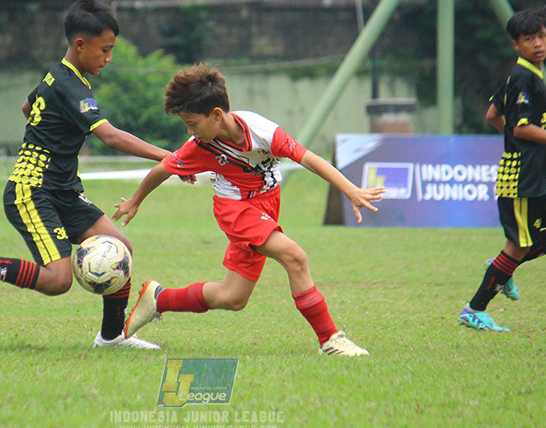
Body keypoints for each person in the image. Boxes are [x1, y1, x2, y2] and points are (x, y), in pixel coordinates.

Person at [0, 0, 187, 349]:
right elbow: (110, 137)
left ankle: (111, 337)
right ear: (80, 44)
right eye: (105, 50)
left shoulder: (58, 76)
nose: (108, 58)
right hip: (32, 189)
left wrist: (51, 136)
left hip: (62, 190)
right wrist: (170, 156)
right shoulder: (70, 86)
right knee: (58, 280)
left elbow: (29, 106)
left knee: (122, 247)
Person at [111, 63, 386, 357]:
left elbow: (309, 159)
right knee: (295, 256)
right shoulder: (199, 146)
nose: (189, 132)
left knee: (233, 297)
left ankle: (158, 299)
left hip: (267, 203)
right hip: (235, 209)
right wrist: (136, 200)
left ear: (217, 114)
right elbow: (162, 170)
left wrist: (350, 190)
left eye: (192, 124)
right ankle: (330, 339)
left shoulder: (260, 130)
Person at [459, 8, 546, 331]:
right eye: (529, 39)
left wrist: (514, 134)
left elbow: (493, 113)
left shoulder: (526, 74)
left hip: (537, 174)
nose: (538, 44)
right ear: (516, 44)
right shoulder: (523, 76)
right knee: (519, 245)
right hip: (520, 178)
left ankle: (503, 266)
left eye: (542, 36)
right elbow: (521, 128)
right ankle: (474, 309)